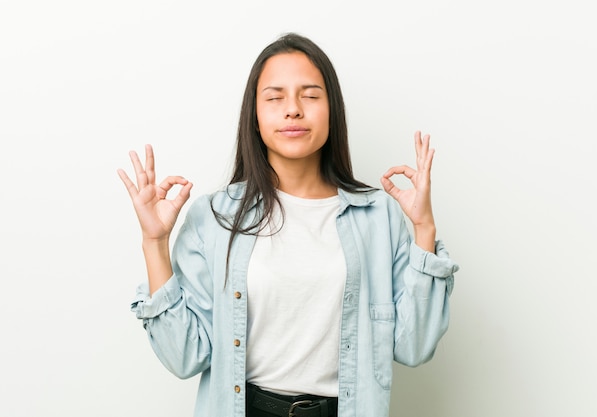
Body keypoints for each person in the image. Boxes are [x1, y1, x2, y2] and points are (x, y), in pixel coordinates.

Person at [118, 32, 459, 417]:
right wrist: (154, 242)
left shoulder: (378, 216)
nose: (293, 110)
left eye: (310, 96)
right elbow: (185, 358)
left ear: (332, 110)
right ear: (255, 116)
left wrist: (424, 230)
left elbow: (414, 348)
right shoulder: (214, 218)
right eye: (275, 97)